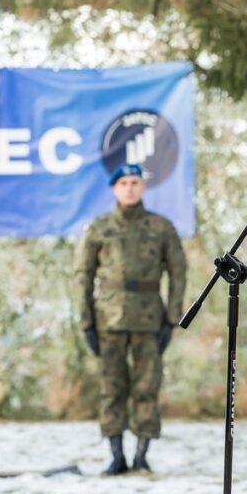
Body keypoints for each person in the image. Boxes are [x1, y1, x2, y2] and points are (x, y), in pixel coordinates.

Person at [74, 163, 187, 475]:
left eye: (135, 181)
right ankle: (116, 456)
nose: (129, 188)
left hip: (149, 319)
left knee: (146, 387)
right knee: (111, 389)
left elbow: (178, 272)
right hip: (108, 321)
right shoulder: (99, 228)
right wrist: (86, 323)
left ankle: (141, 455)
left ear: (143, 187)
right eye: (123, 182)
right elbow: (82, 276)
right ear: (114, 188)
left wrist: (172, 319)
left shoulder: (161, 227)